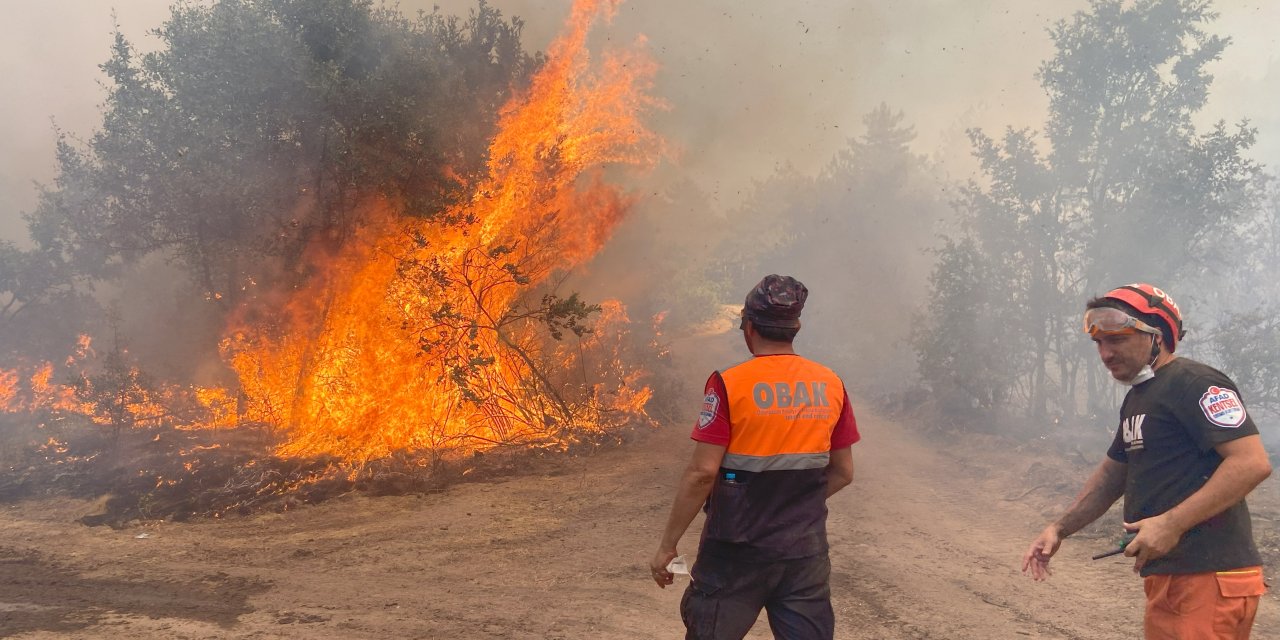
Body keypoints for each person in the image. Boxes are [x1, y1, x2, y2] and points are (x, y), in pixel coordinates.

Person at [1022, 283, 1272, 639]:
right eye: (1099, 343)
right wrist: (1058, 528)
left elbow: (1251, 463)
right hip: (1177, 578)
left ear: (1158, 335)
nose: (1105, 353)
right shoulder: (1141, 398)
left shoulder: (1195, 384)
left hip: (1208, 577)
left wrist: (1170, 524)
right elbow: (1112, 475)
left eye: (1117, 339)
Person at [649, 274, 859, 640]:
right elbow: (843, 472)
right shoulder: (830, 383)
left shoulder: (729, 383)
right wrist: (793, 505)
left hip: (735, 551)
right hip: (804, 551)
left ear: (748, 327)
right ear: (796, 327)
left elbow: (702, 473)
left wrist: (667, 545)